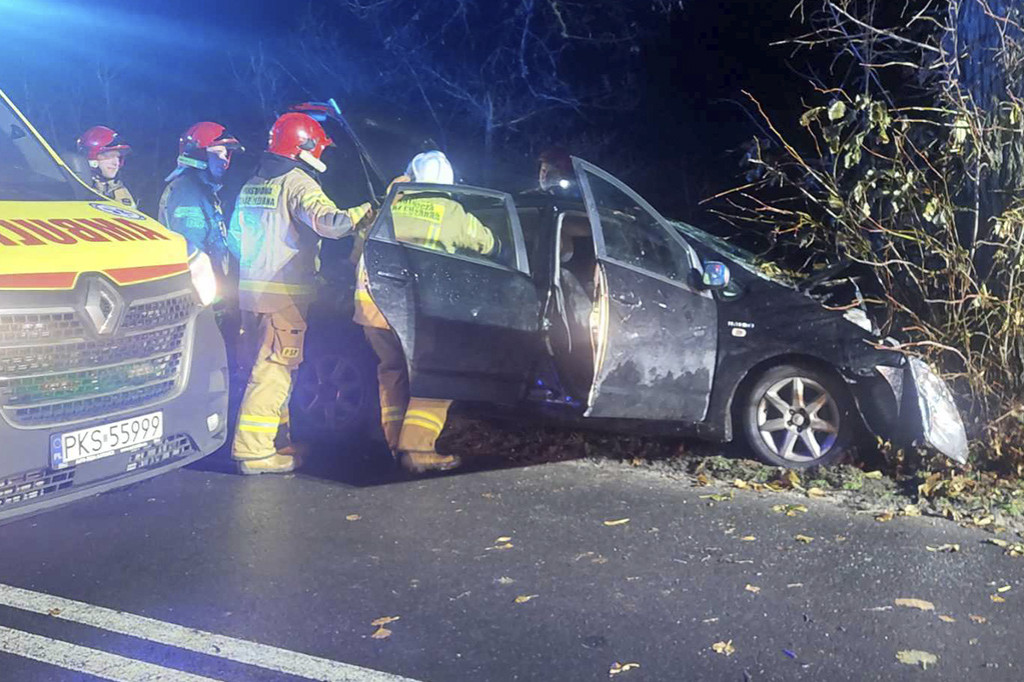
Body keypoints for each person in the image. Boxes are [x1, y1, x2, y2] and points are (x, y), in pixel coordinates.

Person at [228, 112, 375, 475]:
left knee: (265, 368)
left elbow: (234, 237)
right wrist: (365, 212)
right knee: (275, 372)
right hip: (284, 297)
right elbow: (330, 224)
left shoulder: (253, 184)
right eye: (319, 147)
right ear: (304, 147)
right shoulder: (298, 183)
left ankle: (276, 442)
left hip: (251, 292)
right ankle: (254, 452)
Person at [354, 150, 498, 473]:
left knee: (391, 372)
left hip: (372, 308)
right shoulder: (452, 212)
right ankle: (417, 450)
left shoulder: (388, 207)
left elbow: (357, 253)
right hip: (417, 314)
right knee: (438, 377)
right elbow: (489, 245)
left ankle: (392, 444)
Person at [159, 122, 244, 375]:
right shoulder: (187, 191)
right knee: (203, 364)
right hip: (198, 298)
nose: (225, 160)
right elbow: (193, 251)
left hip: (209, 294)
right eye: (218, 153)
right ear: (199, 155)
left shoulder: (203, 189)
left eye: (227, 154)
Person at [76, 126, 136, 207]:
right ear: (91, 158)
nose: (116, 163)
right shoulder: (76, 190)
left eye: (118, 157)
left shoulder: (119, 190)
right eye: (109, 156)